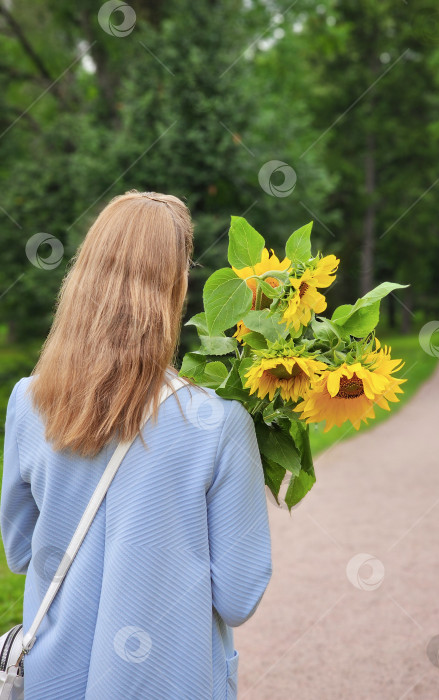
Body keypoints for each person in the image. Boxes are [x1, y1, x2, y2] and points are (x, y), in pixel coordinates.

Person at [0, 190, 272, 699]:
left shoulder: (27, 401)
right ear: (176, 285)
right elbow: (239, 595)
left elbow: (20, 553)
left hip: (53, 683)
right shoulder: (219, 422)